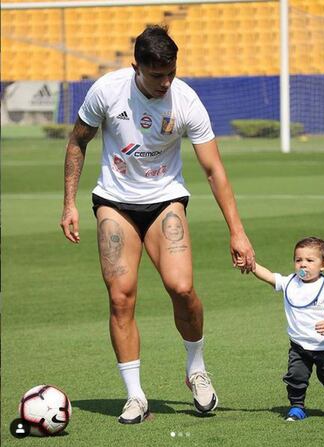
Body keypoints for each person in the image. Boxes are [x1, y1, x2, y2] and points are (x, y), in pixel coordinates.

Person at [60, 24, 255, 425]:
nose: (166, 81)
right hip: (114, 201)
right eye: (156, 75)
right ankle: (135, 396)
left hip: (165, 199)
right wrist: (69, 204)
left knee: (182, 289)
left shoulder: (186, 101)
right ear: (136, 67)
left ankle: (196, 368)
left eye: (171, 72)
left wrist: (237, 230)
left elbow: (214, 169)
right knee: (121, 297)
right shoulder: (106, 91)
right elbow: (78, 140)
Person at [237, 237, 324, 421]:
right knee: (295, 377)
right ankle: (297, 407)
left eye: (310, 261)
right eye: (298, 260)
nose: (303, 265)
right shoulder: (289, 283)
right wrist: (252, 265)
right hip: (299, 346)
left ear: (323, 265)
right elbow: (270, 276)